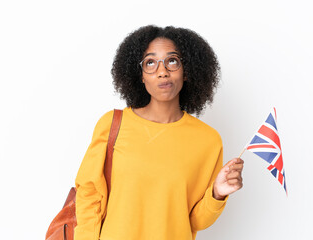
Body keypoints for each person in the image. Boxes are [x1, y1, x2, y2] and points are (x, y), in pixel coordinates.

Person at [74, 25, 244, 240]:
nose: (162, 71)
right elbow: (89, 196)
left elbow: (195, 221)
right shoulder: (113, 124)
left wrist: (217, 193)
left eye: (172, 61)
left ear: (187, 70)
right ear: (140, 76)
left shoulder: (208, 140)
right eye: (150, 63)